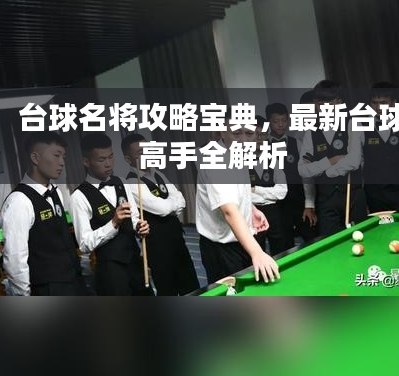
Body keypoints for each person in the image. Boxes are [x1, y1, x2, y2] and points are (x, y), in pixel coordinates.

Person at [195, 113, 280, 285]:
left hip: (241, 240)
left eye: (249, 133)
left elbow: (235, 192)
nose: (244, 140)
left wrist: (251, 209)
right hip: (222, 249)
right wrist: (257, 252)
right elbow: (229, 211)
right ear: (222, 131)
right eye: (236, 133)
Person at [1, 132, 86, 296]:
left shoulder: (56, 192)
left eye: (63, 156)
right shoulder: (18, 201)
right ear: (35, 158)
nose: (62, 162)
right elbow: (15, 261)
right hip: (48, 289)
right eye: (56, 155)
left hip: (73, 281)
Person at [70, 133, 150, 295]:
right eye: (101, 160)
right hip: (110, 271)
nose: (108, 164)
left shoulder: (121, 182)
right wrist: (113, 223)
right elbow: (84, 244)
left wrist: (139, 226)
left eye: (111, 157)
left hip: (135, 263)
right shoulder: (78, 196)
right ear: (86, 162)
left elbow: (134, 218)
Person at [122, 133, 199, 295]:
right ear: (128, 159)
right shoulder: (131, 182)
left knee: (191, 285)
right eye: (140, 153)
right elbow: (161, 209)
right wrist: (171, 204)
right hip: (158, 246)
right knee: (168, 291)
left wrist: (170, 205)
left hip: (177, 239)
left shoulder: (159, 174)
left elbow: (182, 200)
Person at [298, 81, 367, 236]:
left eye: (329, 103)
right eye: (320, 103)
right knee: (331, 241)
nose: (324, 107)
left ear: (339, 102)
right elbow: (303, 170)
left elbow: (354, 161)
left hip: (353, 197)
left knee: (361, 240)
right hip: (326, 202)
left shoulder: (352, 124)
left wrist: (325, 171)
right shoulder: (310, 133)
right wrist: (332, 160)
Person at [266, 102, 317, 247]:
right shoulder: (262, 146)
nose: (280, 124)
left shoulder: (298, 143)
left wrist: (309, 204)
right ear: (269, 122)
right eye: (276, 121)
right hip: (277, 206)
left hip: (299, 201)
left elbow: (307, 176)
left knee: (312, 239)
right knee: (283, 245)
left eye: (284, 120)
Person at [361, 82, 399, 213]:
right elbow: (361, 160)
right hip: (375, 192)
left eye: (383, 103)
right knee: (381, 224)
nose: (378, 107)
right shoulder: (361, 125)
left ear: (393, 103)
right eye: (374, 103)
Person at [247, 116, 287, 255]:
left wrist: (255, 189)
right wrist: (269, 195)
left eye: (263, 134)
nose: (259, 138)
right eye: (255, 134)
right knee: (256, 252)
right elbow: (243, 195)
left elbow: (282, 191)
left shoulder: (274, 158)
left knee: (280, 250)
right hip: (250, 212)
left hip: (274, 211)